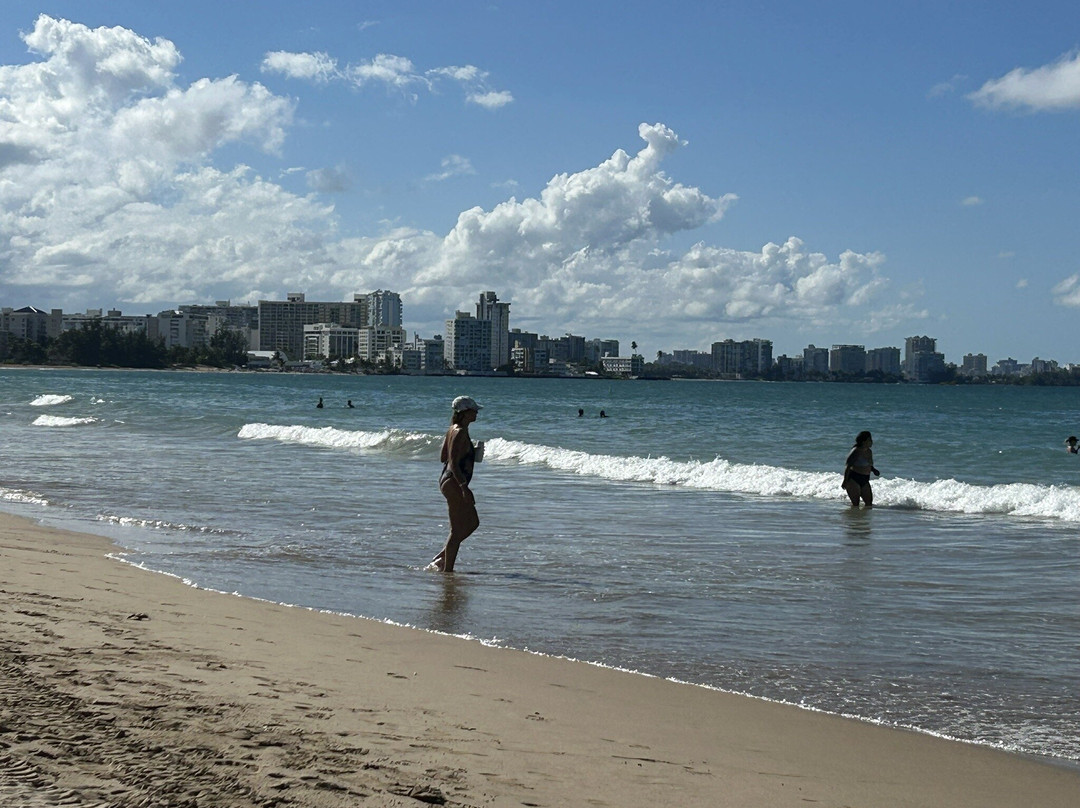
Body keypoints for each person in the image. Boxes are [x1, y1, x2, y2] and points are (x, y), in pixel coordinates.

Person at [430, 396, 482, 572]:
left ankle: (443, 559)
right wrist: (463, 487)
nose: (476, 413)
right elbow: (452, 461)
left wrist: (469, 452)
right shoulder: (459, 432)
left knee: (468, 524)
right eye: (474, 410)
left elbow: (443, 457)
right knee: (463, 526)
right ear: (466, 413)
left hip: (446, 480)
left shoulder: (453, 429)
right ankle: (446, 567)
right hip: (454, 482)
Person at [842, 430, 880, 507]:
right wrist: (845, 481)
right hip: (853, 478)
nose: (872, 442)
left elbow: (868, 464)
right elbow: (848, 466)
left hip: (865, 479)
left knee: (869, 504)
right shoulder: (856, 451)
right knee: (856, 505)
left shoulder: (869, 451)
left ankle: (863, 518)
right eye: (870, 440)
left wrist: (873, 470)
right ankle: (854, 518)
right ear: (864, 441)